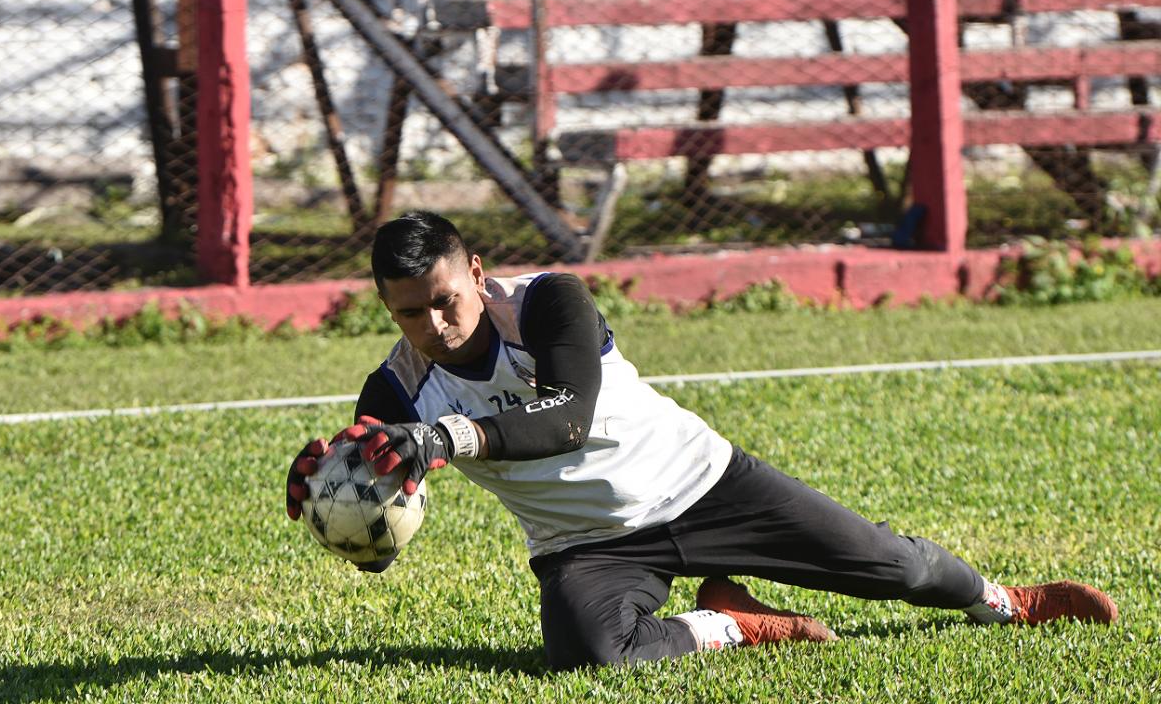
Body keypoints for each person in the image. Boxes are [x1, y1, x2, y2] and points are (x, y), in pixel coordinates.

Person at [285, 211, 1118, 670]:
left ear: (474, 273)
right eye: (407, 312)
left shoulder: (547, 303)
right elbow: (385, 552)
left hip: (704, 483)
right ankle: (731, 624)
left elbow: (568, 416)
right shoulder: (394, 391)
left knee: (896, 567)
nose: (432, 325)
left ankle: (1007, 604)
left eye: (443, 300)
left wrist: (444, 438)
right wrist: (340, 507)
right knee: (595, 657)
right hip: (587, 544)